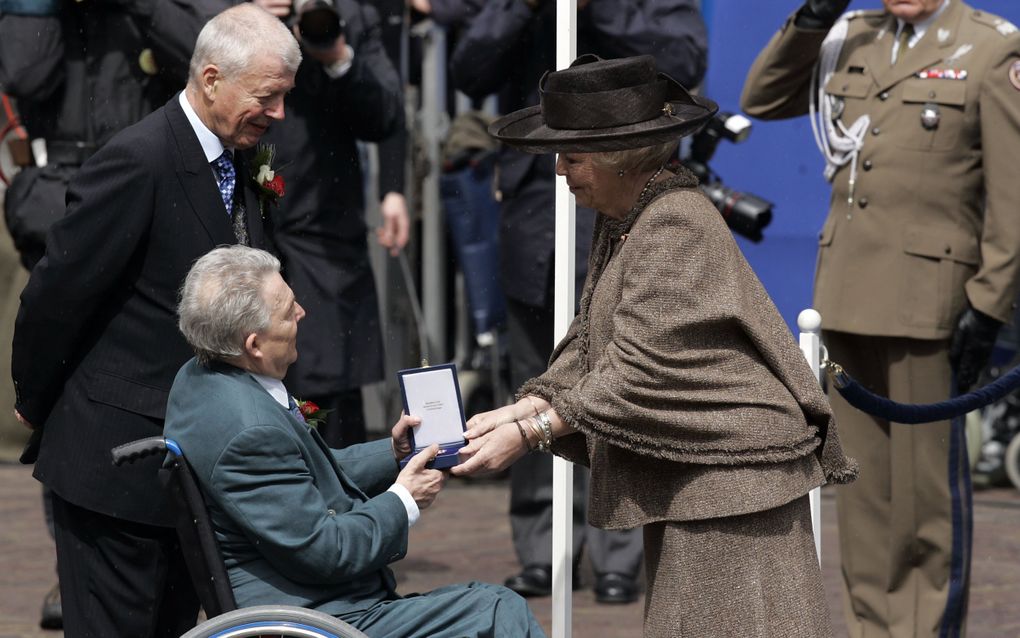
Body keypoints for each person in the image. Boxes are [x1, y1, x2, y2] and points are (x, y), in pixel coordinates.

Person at [450, 54, 858, 638]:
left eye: (575, 157)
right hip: (698, 479)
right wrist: (521, 408)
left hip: (732, 490)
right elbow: (590, 343)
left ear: (624, 159)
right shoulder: (627, 214)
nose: (561, 171)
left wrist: (529, 432)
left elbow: (635, 371)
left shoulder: (673, 222)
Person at [10, 6, 300, 636]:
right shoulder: (138, 160)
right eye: (267, 97)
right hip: (115, 468)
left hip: (189, 474)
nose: (278, 113)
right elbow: (58, 294)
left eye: (284, 97)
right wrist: (34, 400)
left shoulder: (241, 157)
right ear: (213, 78)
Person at [740, 1, 1020, 635]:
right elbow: (762, 96)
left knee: (925, 503)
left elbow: (1014, 189)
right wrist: (813, 16)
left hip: (934, 303)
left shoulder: (990, 47)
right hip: (847, 296)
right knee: (862, 499)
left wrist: (989, 301)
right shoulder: (849, 34)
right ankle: (872, 628)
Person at [444, 0, 708, 603]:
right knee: (539, 379)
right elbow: (469, 68)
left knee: (623, 378)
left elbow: (685, 59)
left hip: (623, 207)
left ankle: (619, 548)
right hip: (538, 220)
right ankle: (544, 547)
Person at [164, 244, 546, 637]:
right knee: (496, 612)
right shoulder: (251, 430)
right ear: (254, 345)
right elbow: (326, 551)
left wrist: (396, 453)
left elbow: (302, 473)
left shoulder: (199, 377)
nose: (302, 313)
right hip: (315, 617)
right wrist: (404, 500)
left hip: (313, 602)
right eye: (288, 311)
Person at [251, 0, 408, 448]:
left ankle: (339, 504)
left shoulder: (355, 17)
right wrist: (245, 18)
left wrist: (338, 58)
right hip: (246, 218)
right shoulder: (239, 12)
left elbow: (386, 114)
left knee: (330, 381)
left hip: (325, 228)